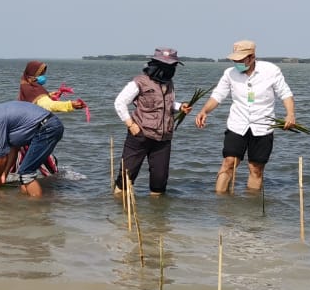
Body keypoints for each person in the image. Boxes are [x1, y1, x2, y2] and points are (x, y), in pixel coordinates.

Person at [194, 40, 295, 193]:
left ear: (252, 57)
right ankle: (219, 201)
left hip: (263, 126)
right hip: (237, 125)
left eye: (240, 60)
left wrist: (290, 114)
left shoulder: (271, 71)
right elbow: (218, 95)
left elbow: (285, 94)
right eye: (235, 60)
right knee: (229, 162)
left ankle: (251, 204)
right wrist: (204, 111)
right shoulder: (229, 73)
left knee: (256, 168)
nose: (237, 63)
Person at [113, 48, 193, 196]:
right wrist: (131, 124)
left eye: (173, 66)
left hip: (163, 138)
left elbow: (166, 105)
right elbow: (120, 103)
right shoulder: (140, 82)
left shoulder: (169, 83)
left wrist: (180, 107)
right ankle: (118, 205)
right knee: (126, 178)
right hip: (140, 135)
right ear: (155, 65)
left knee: (159, 182)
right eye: (167, 66)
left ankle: (157, 210)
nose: (171, 69)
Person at [0, 101, 65, 198]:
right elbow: (14, 149)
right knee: (24, 178)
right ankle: (27, 204)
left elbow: (2, 158)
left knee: (26, 173)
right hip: (49, 126)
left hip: (47, 128)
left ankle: (37, 208)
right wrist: (4, 175)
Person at [11, 61, 86, 178]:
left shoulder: (26, 87)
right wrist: (70, 105)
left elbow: (38, 102)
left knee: (22, 160)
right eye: (40, 74)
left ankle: (9, 179)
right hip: (31, 133)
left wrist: (50, 96)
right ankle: (51, 182)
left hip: (25, 131)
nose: (43, 77)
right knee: (42, 160)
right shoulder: (32, 90)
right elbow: (47, 105)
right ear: (31, 75)